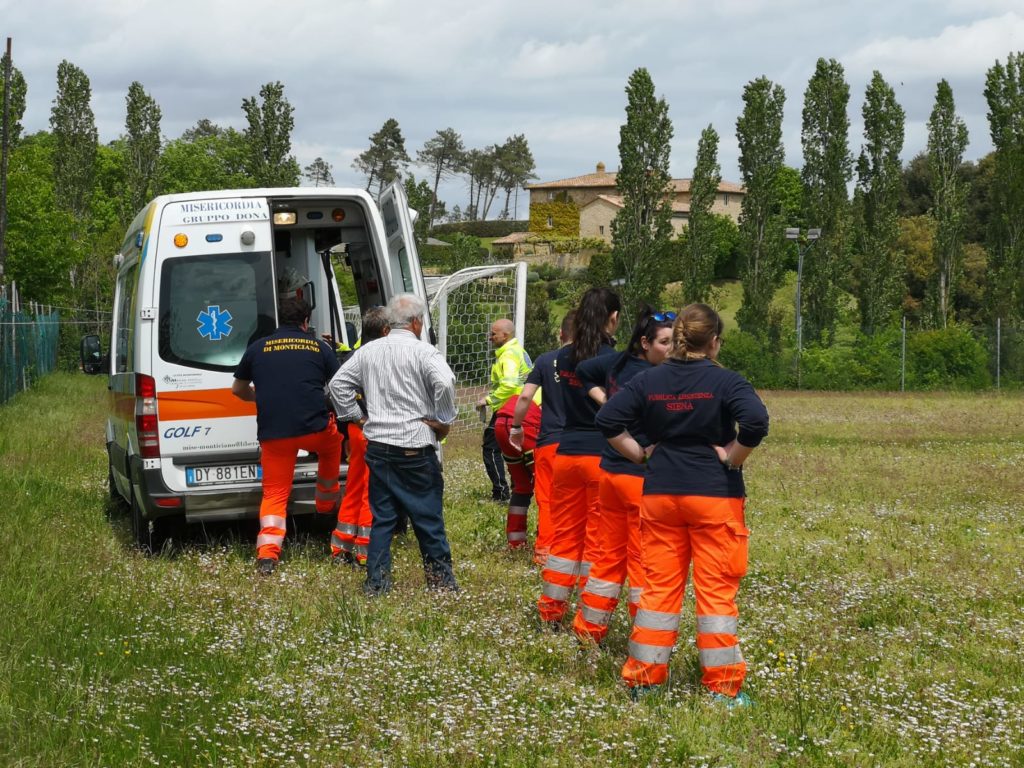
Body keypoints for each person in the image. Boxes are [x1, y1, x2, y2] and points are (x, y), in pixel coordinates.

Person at [595, 304, 769, 706]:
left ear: (675, 341)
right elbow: (756, 422)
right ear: (713, 342)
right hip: (713, 496)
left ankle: (644, 680)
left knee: (657, 590)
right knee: (715, 596)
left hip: (659, 495)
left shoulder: (648, 379)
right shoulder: (726, 381)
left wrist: (639, 453)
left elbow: (607, 420)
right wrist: (732, 456)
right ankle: (723, 688)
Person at [327, 293, 458, 595]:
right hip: (414, 445)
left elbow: (337, 385)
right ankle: (441, 584)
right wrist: (443, 418)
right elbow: (446, 382)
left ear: (389, 323)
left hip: (379, 446)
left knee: (382, 518)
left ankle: (377, 584)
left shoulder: (368, 351)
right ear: (416, 323)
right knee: (427, 517)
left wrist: (357, 418)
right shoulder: (425, 353)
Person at [511, 287, 620, 628]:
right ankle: (589, 613)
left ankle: (550, 610)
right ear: (612, 319)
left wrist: (516, 427)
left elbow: (527, 397)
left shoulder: (557, 358)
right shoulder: (613, 360)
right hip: (601, 454)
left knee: (561, 529)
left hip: (563, 451)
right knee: (596, 538)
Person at [571, 307, 675, 645]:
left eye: (674, 342)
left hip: (611, 474)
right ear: (644, 342)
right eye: (664, 342)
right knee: (643, 562)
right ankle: (643, 632)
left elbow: (583, 370)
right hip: (637, 478)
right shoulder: (654, 378)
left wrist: (602, 397)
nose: (671, 349)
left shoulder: (616, 363)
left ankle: (589, 630)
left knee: (606, 559)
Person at [232, 297, 342, 575]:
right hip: (315, 430)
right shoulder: (319, 347)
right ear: (306, 322)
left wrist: (258, 397)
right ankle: (326, 504)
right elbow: (340, 384)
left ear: (279, 320)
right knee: (334, 447)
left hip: (274, 434)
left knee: (275, 493)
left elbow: (237, 390)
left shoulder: (257, 348)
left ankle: (268, 555)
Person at [508, 311, 573, 564]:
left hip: (550, 441)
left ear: (561, 334)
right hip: (585, 444)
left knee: (547, 498)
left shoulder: (546, 361)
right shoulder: (594, 360)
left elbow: (525, 397)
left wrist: (516, 426)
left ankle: (546, 551)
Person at [330, 306, 390, 565]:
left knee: (354, 484)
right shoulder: (381, 357)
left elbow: (337, 387)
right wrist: (362, 417)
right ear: (386, 331)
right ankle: (365, 549)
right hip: (371, 428)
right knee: (372, 488)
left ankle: (341, 544)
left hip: (356, 430)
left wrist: (354, 419)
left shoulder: (354, 355)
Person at [477, 318, 531, 502]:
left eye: (493, 334)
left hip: (511, 407)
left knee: (491, 449)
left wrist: (488, 400)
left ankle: (501, 493)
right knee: (517, 450)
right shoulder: (517, 351)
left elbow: (509, 384)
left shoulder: (508, 355)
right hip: (524, 408)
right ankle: (521, 489)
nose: (489, 337)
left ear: (505, 335)